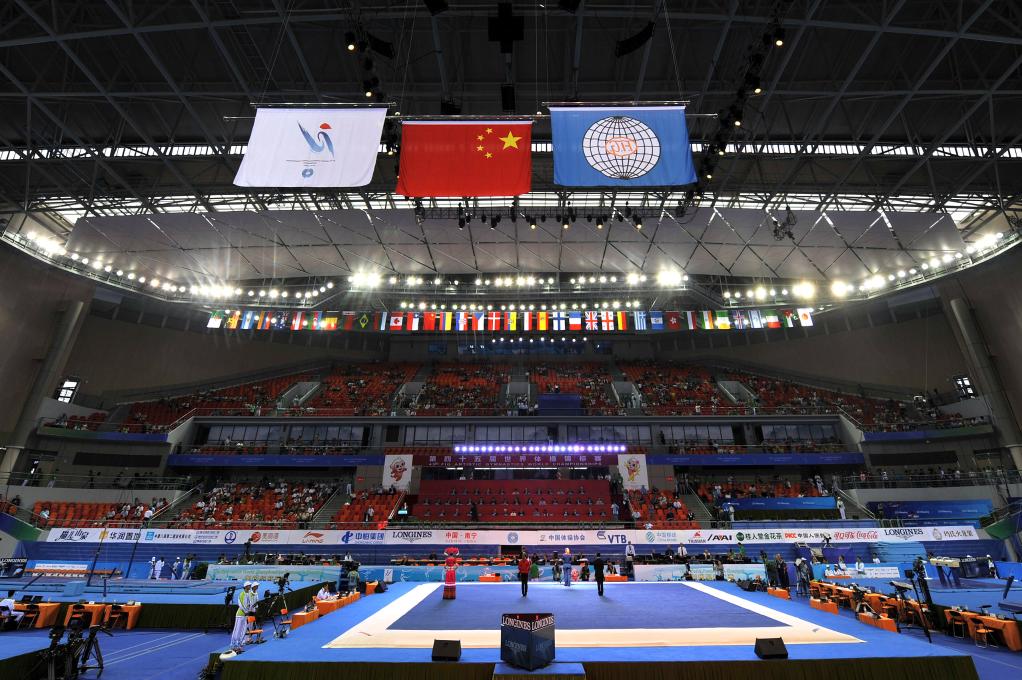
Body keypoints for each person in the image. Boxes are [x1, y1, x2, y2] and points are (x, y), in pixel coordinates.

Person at [230, 582, 252, 653]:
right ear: (246, 586)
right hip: (240, 615)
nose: (250, 586)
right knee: (237, 630)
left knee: (243, 630)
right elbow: (240, 604)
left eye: (250, 585)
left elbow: (248, 604)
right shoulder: (242, 594)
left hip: (245, 615)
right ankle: (233, 645)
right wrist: (245, 611)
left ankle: (239, 645)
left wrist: (249, 610)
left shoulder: (248, 594)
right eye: (249, 585)